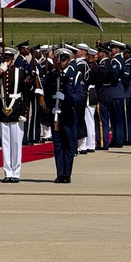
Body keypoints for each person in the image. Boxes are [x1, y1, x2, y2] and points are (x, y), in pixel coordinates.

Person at [45, 47, 85, 183]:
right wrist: (51, 105)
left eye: (64, 59)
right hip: (56, 114)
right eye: (59, 59)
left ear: (69, 60)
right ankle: (60, 173)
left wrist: (65, 98)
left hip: (69, 113)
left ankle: (67, 174)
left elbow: (80, 95)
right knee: (58, 145)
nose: (61, 62)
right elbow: (47, 94)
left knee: (69, 144)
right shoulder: (52, 75)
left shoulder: (76, 74)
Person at [0, 47, 28, 183]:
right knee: (5, 144)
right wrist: (0, 72)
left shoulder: (20, 72)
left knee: (16, 143)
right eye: (5, 58)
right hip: (3, 111)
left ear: (13, 59)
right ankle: (7, 172)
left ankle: (16, 172)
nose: (7, 60)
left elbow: (25, 95)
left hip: (16, 110)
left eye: (8, 58)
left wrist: (24, 112)